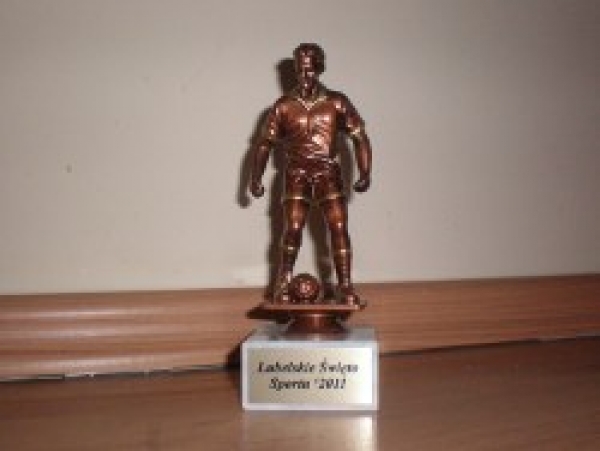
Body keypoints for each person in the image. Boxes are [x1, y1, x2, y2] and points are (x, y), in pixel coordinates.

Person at [249, 43, 372, 305]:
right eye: (300, 70)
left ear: (320, 68)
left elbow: (360, 137)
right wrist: (255, 177)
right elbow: (264, 143)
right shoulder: (283, 106)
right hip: (297, 173)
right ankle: (283, 283)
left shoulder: (337, 101)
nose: (305, 76)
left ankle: (345, 285)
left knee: (338, 226)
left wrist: (365, 172)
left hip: (328, 172)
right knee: (293, 227)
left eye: (310, 70)